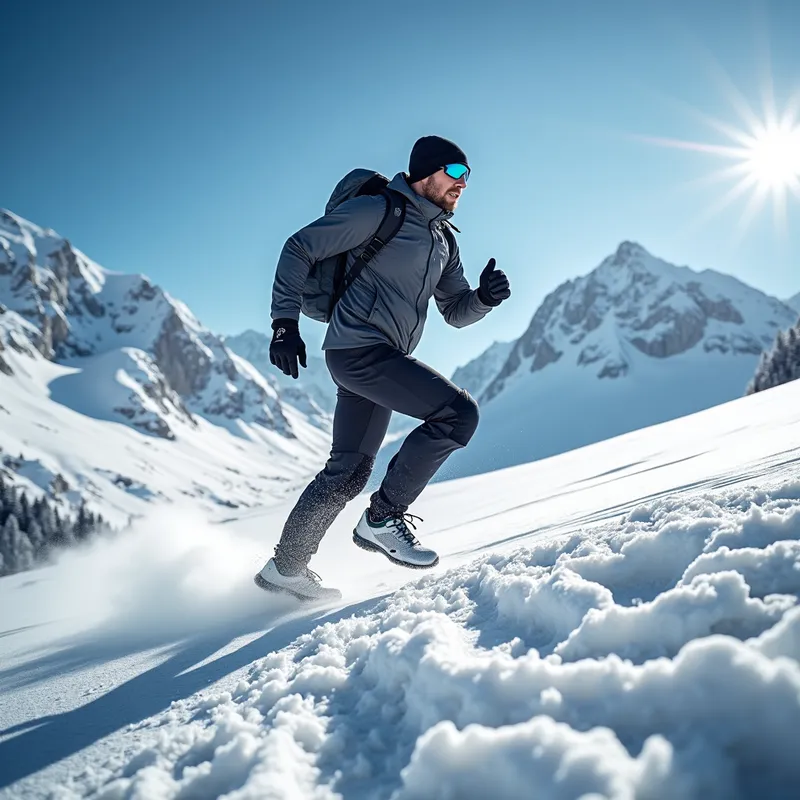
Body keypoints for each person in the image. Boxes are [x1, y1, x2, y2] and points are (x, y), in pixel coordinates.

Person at [255, 135, 511, 601]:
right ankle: (383, 517)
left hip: (381, 356)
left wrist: (483, 298)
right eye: (455, 172)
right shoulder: (379, 211)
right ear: (425, 172)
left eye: (468, 177)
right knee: (458, 415)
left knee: (349, 470)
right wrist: (283, 323)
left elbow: (455, 311)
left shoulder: (443, 240)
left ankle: (285, 569)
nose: (462, 184)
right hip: (359, 350)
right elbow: (299, 247)